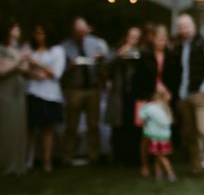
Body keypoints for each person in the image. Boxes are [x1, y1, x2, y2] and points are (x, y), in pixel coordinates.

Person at [168, 14, 204, 180]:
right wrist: (182, 94)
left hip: (202, 96)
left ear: (193, 25)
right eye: (180, 27)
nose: (183, 30)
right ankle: (196, 166)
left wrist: (203, 89)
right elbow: (185, 72)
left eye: (186, 26)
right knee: (189, 133)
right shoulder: (184, 46)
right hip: (187, 96)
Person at [59, 17, 109, 165]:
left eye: (83, 31)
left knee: (93, 125)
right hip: (74, 89)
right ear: (73, 31)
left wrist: (100, 59)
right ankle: (68, 156)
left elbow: (104, 66)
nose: (81, 34)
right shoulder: (65, 46)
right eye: (78, 32)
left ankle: (94, 155)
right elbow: (60, 71)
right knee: (71, 125)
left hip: (93, 88)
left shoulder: (95, 43)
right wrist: (70, 65)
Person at [136, 25, 177, 178]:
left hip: (163, 99)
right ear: (153, 38)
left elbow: (173, 77)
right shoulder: (145, 55)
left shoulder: (171, 55)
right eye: (160, 38)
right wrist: (150, 94)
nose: (162, 41)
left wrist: (169, 93)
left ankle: (158, 166)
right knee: (146, 135)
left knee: (160, 132)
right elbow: (138, 79)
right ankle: (145, 165)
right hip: (147, 97)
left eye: (165, 38)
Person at [25, 24, 66, 173]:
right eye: (36, 33)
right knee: (30, 128)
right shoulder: (31, 49)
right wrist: (34, 73)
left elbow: (57, 73)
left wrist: (38, 65)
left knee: (47, 130)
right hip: (33, 92)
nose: (38, 36)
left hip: (50, 95)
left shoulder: (57, 50)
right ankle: (26, 160)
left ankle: (46, 161)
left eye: (41, 33)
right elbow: (25, 69)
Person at [105, 26, 144, 167]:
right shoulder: (117, 52)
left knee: (133, 129)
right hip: (119, 96)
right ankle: (118, 158)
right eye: (131, 36)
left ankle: (132, 158)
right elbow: (105, 67)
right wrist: (119, 55)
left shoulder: (141, 53)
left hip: (134, 96)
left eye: (137, 37)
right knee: (118, 128)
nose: (134, 40)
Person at [0, 21, 30, 176]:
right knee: (6, 125)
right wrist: (19, 61)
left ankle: (17, 164)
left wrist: (22, 60)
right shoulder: (2, 50)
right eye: (15, 28)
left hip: (19, 91)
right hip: (5, 91)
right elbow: (2, 71)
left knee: (19, 125)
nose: (18, 31)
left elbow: (25, 69)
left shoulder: (18, 49)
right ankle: (5, 164)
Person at [138, 87, 176, 182]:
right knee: (158, 156)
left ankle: (170, 173)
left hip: (156, 138)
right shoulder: (165, 108)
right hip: (165, 137)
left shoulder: (151, 107)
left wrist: (144, 106)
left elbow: (141, 115)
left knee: (160, 156)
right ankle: (158, 174)